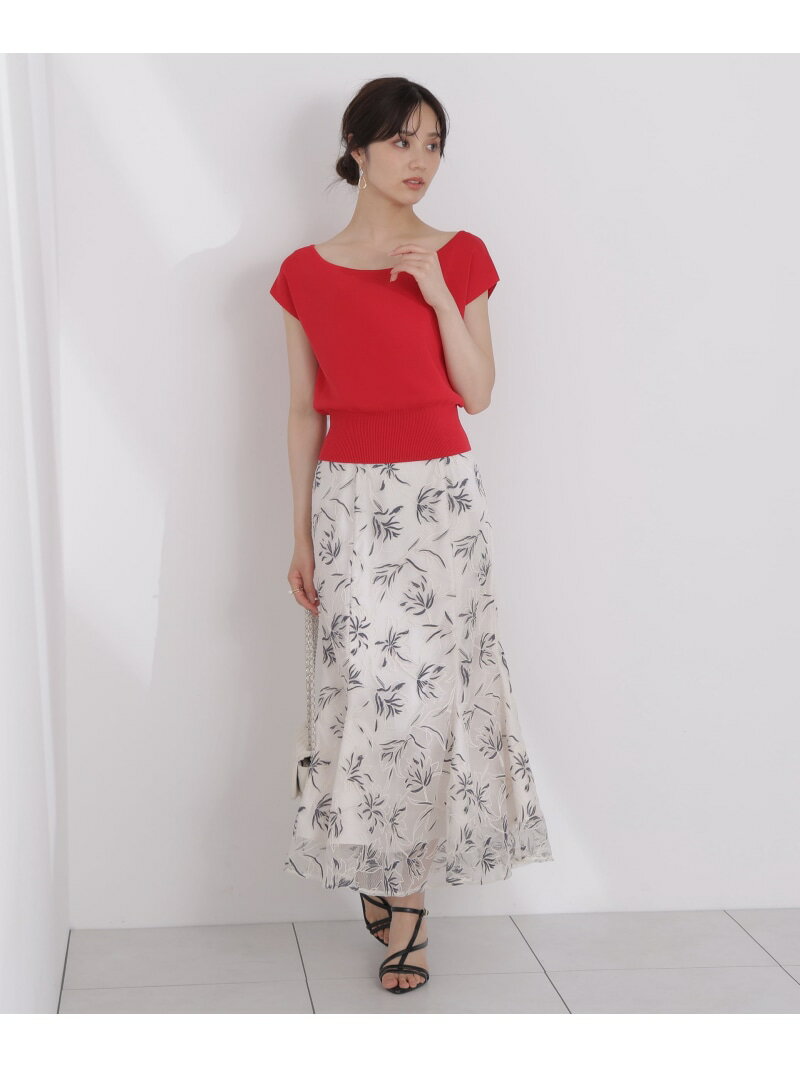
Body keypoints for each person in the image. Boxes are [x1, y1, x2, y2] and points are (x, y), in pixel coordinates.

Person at [269, 75, 553, 995]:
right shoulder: (303, 273)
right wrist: (301, 535)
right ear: (356, 148)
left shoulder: (459, 255)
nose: (420, 159)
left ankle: (408, 907)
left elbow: (479, 391)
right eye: (401, 141)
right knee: (368, 696)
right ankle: (383, 869)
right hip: (350, 504)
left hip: (441, 500)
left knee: (433, 705)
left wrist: (434, 293)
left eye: (433, 143)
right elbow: (302, 413)